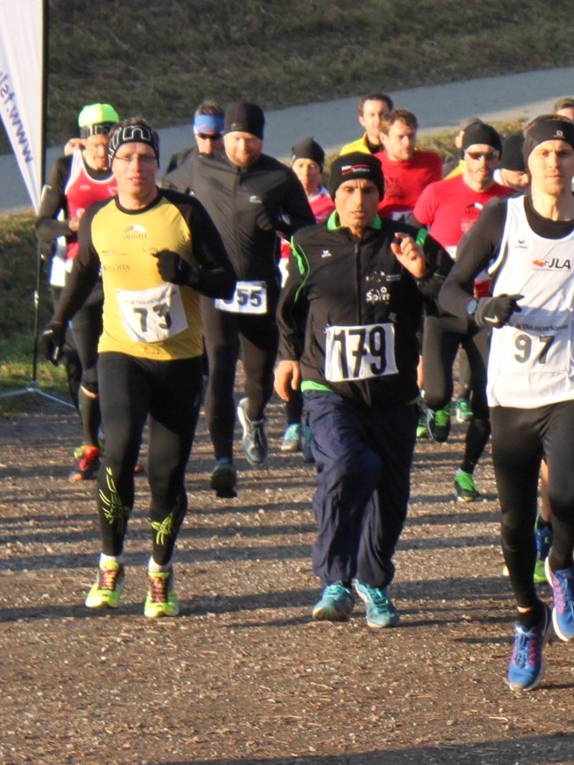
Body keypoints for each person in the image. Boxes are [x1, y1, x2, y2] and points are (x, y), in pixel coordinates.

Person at [441, 117, 574, 691]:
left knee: (568, 494)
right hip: (513, 390)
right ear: (528, 160)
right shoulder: (502, 218)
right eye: (544, 153)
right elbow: (449, 288)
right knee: (514, 521)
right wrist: (480, 310)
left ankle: (561, 562)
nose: (554, 163)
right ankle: (527, 618)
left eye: (564, 153)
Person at [38, 120, 237, 617]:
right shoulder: (98, 218)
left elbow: (226, 280)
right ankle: (110, 563)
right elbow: (82, 273)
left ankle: (160, 571)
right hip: (121, 353)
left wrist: (189, 274)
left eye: (145, 158)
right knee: (119, 450)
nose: (135, 167)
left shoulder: (184, 212)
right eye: (126, 158)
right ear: (113, 165)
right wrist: (57, 324)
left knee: (167, 476)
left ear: (156, 164)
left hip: (179, 360)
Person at [275, 153, 447, 628]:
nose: (359, 200)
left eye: (368, 191)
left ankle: (373, 581)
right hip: (329, 387)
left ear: (380, 195)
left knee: (391, 495)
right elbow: (289, 308)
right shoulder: (309, 244)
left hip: (394, 393)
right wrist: (288, 355)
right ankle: (335, 579)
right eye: (349, 191)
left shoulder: (407, 240)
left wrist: (421, 275)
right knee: (349, 463)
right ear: (334, 196)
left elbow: (449, 298)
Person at [165, 101, 317, 499]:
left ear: (261, 140)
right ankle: (223, 459)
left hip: (259, 288)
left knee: (260, 375)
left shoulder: (278, 177)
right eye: (235, 139)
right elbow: (164, 197)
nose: (242, 147)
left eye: (250, 140)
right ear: (225, 137)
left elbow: (307, 230)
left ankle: (254, 415)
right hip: (216, 287)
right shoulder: (200, 167)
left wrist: (281, 226)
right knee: (218, 365)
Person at [412, 121, 515, 500]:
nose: (482, 163)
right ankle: (436, 408)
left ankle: (465, 472)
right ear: (463, 156)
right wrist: (422, 269)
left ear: (498, 158)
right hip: (443, 308)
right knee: (436, 392)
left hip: (485, 313)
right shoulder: (438, 192)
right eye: (475, 155)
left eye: (489, 155)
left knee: (487, 400)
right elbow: (410, 233)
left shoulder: (510, 201)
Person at [35, 103, 121, 476]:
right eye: (96, 146)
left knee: (123, 364)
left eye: (108, 145)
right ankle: (91, 445)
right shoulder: (66, 168)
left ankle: (120, 443)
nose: (103, 154)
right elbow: (40, 225)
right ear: (83, 143)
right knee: (90, 366)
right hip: (79, 279)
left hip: (119, 274)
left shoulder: (128, 166)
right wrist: (69, 226)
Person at [278, 139, 335, 459]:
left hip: (318, 288)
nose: (306, 172)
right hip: (286, 285)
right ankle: (292, 422)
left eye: (312, 166)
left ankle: (313, 421)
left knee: (314, 354)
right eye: (300, 165)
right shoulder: (281, 201)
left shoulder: (330, 204)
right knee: (290, 353)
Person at [374, 110, 444, 221]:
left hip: (423, 227)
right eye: (400, 137)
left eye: (411, 136)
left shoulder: (430, 162)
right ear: (383, 138)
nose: (407, 142)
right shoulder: (373, 164)